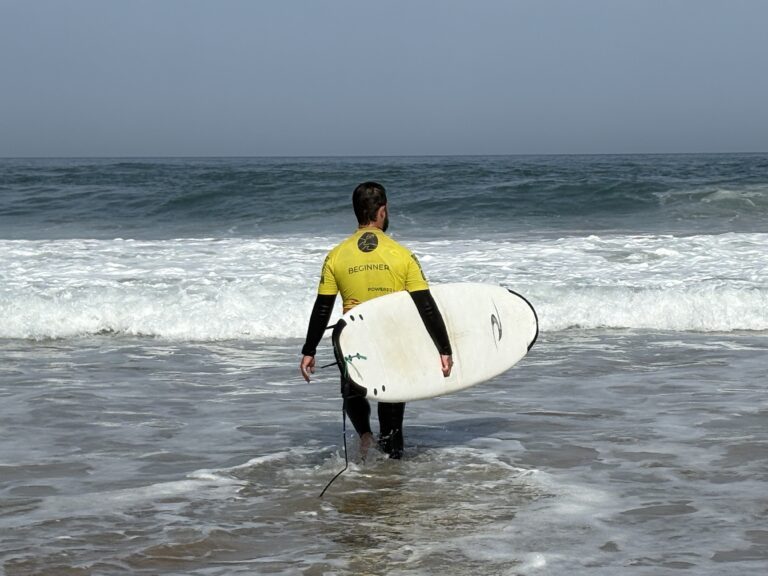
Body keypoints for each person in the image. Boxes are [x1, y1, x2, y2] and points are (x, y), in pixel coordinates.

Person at [300, 181, 453, 459]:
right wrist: (444, 349)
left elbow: (323, 308)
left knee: (352, 394)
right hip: (392, 339)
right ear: (382, 211)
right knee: (392, 411)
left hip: (352, 339)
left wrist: (308, 351)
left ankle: (365, 436)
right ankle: (392, 465)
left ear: (356, 212)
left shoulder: (336, 255)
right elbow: (426, 306)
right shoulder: (402, 255)